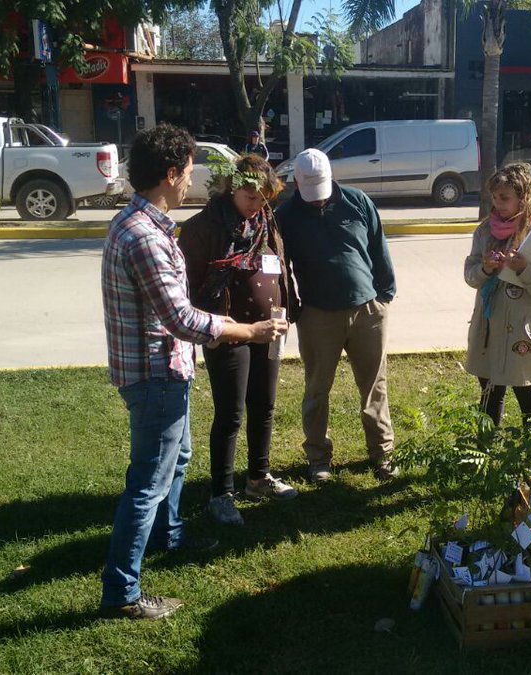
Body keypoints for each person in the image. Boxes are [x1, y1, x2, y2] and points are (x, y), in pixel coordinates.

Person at [99, 124, 287, 621]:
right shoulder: (146, 237)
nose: (191, 182)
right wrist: (247, 331)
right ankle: (122, 593)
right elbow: (180, 317)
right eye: (186, 173)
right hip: (155, 373)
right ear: (168, 175)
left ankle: (170, 538)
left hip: (166, 368)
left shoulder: (142, 224)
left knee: (177, 460)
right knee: (148, 482)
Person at [179, 154, 299, 527]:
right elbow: (188, 285)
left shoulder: (266, 222)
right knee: (230, 413)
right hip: (228, 332)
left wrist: (287, 308)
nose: (257, 205)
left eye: (264, 198)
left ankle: (258, 478)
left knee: (264, 405)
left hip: (270, 328)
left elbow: (281, 265)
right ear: (232, 189)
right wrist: (208, 326)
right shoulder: (205, 227)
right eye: (250, 197)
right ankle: (221, 493)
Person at [274, 148, 398, 482]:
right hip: (317, 315)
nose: (317, 200)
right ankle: (318, 458)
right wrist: (292, 306)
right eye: (309, 192)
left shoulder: (357, 201)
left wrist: (385, 295)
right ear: (296, 182)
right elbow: (280, 268)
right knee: (316, 388)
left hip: (368, 310)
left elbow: (378, 248)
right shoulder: (285, 216)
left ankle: (382, 454)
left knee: (374, 386)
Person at [463, 162, 531, 427]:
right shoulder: (485, 231)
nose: (498, 204)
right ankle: (484, 458)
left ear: (523, 197)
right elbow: (470, 276)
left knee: (529, 398)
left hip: (525, 331)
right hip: (490, 329)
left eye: (505, 198)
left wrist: (525, 271)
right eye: (494, 198)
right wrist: (485, 268)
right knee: (489, 397)